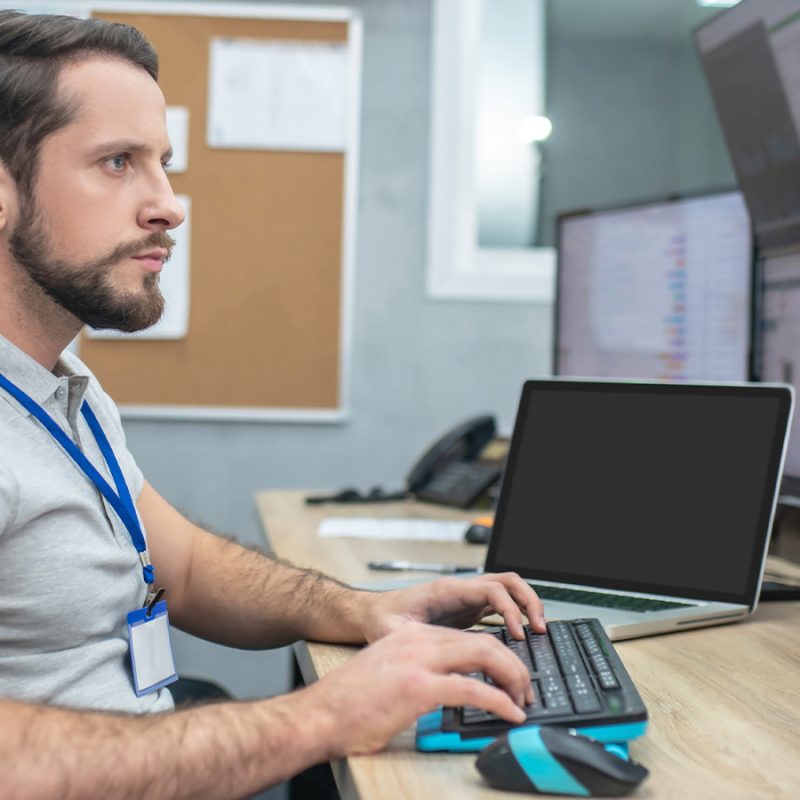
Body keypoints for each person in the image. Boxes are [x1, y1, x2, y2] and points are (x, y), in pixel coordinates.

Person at [0, 11, 544, 799]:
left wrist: (366, 611)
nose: (170, 205)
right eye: (118, 162)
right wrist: (321, 715)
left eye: (163, 163)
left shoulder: (60, 386)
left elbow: (180, 566)